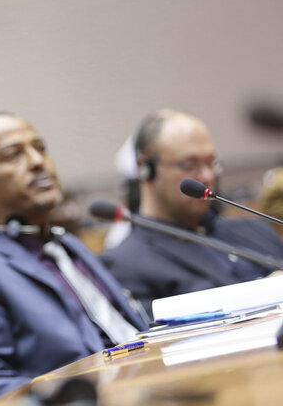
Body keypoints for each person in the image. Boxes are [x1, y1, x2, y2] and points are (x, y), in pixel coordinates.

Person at [0, 112, 148, 405]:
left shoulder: (65, 245)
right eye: (14, 155)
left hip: (150, 387)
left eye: (40, 148)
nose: (38, 161)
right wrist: (77, 399)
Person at [101, 109, 283, 317]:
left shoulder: (254, 229)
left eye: (211, 163)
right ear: (146, 168)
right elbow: (160, 342)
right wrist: (265, 293)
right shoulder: (126, 263)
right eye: (189, 164)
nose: (206, 176)